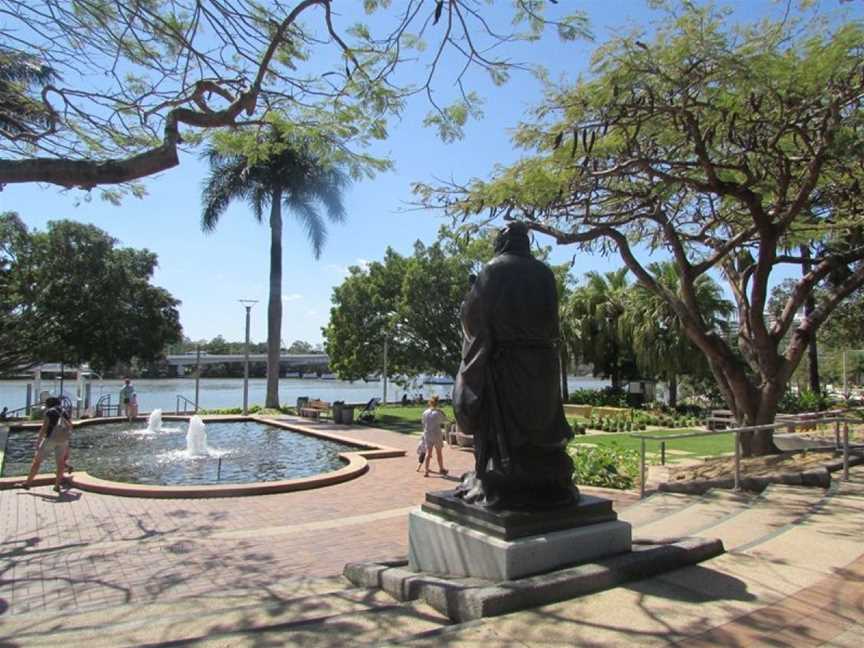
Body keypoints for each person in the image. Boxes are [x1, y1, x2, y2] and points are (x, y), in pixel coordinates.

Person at [453, 222, 575, 509]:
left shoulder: (494, 269)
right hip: (544, 365)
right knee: (541, 426)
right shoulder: (545, 273)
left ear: (502, 243)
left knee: (501, 428)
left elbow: (474, 318)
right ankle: (544, 480)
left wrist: (466, 305)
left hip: (506, 364)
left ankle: (498, 479)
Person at [19, 397, 72, 493]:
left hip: (50, 439)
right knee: (60, 463)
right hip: (63, 440)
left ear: (49, 404)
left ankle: (27, 483)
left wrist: (38, 441)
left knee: (37, 461)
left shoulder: (49, 412)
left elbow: (44, 428)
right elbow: (70, 426)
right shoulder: (64, 411)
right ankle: (57, 485)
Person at [421, 395, 448, 477]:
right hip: (437, 434)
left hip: (428, 434)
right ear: (437, 403)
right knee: (439, 453)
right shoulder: (438, 413)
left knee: (428, 453)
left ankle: (426, 471)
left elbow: (423, 423)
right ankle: (441, 468)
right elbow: (444, 420)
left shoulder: (425, 412)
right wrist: (442, 412)